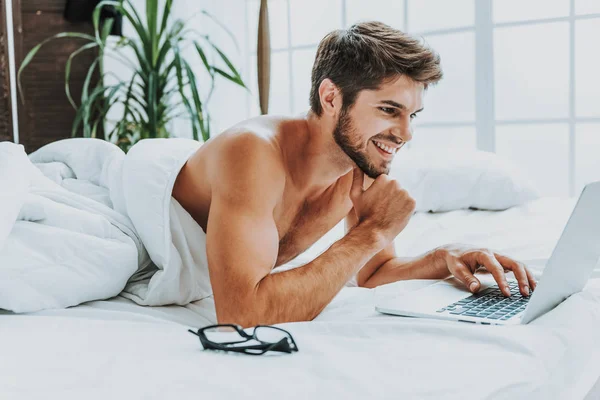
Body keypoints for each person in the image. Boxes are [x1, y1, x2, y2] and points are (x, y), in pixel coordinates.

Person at [172, 21, 536, 328]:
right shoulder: (253, 154)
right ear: (331, 97)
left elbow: (373, 273)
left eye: (413, 115)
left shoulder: (357, 165)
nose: (406, 134)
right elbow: (240, 315)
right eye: (389, 110)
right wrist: (372, 230)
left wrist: (444, 257)